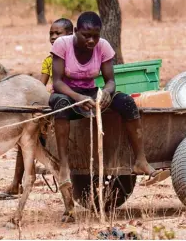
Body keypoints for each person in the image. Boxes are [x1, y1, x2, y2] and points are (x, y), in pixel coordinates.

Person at [49, 11, 170, 189]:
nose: (91, 41)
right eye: (86, 36)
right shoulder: (62, 44)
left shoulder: (103, 46)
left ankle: (140, 160)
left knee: (127, 102)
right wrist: (78, 98)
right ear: (75, 31)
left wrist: (106, 92)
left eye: (95, 36)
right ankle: (64, 166)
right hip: (66, 93)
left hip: (90, 91)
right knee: (61, 105)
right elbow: (57, 82)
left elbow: (111, 81)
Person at [0, 18, 74, 200]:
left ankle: (16, 184)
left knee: (26, 138)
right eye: (51, 34)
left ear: (70, 35)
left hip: (70, 103)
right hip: (52, 103)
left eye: (57, 33)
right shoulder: (49, 60)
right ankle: (16, 183)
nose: (53, 37)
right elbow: (39, 87)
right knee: (25, 135)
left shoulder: (78, 57)